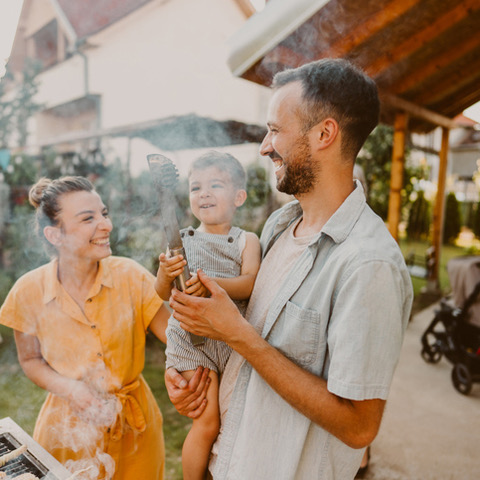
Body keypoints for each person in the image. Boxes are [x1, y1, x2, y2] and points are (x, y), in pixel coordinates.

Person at [165, 58, 414, 479]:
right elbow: (250, 352)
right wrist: (194, 377)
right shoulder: (279, 227)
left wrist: (237, 336)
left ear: (324, 134)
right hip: (222, 463)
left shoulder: (368, 265)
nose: (265, 146)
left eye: (276, 130)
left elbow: (359, 426)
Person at [0, 176, 170, 479]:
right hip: (66, 429)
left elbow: (178, 340)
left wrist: (180, 370)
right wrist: (71, 389)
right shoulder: (28, 291)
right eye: (88, 218)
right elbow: (30, 360)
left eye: (104, 213)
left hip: (137, 429)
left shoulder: (131, 276)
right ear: (55, 235)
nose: (106, 225)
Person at [155, 151, 261, 480]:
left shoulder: (247, 241)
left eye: (215, 184)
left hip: (227, 340)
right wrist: (163, 273)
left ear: (239, 197)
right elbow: (163, 293)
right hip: (190, 339)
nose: (203, 193)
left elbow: (250, 283)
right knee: (208, 421)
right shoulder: (180, 241)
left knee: (232, 420)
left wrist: (213, 285)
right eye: (195, 187)